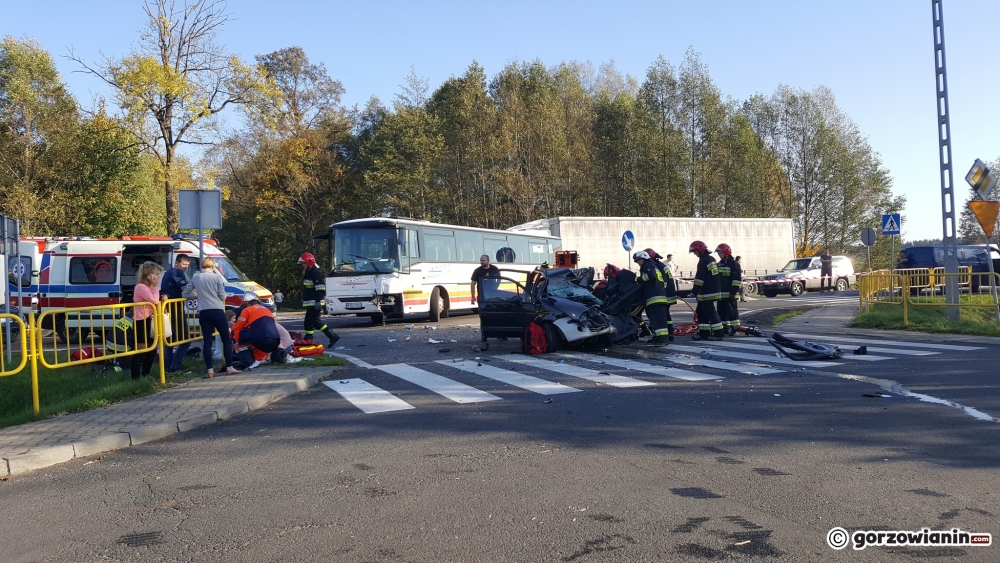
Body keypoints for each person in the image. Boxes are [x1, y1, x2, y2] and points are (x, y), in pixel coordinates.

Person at [183, 256, 240, 378]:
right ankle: (229, 367)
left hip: (203, 312)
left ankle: (210, 370)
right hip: (217, 311)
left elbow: (185, 293)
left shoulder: (196, 277)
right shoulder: (217, 277)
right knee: (226, 339)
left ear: (203, 266)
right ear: (213, 266)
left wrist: (197, 297)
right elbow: (222, 297)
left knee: (207, 342)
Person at [131, 261, 166, 380]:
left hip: (151, 320)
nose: (159, 277)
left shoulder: (151, 287)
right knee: (142, 349)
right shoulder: (141, 287)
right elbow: (154, 300)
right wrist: (156, 287)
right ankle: (135, 377)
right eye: (157, 274)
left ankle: (146, 374)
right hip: (141, 320)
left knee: (152, 348)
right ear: (149, 275)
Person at [159, 254, 191, 373]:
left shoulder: (169, 272)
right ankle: (174, 367)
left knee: (170, 340)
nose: (186, 267)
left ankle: (168, 368)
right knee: (185, 340)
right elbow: (185, 289)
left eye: (187, 265)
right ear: (177, 263)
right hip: (175, 309)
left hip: (169, 308)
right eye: (184, 264)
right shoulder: (177, 273)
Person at [299, 252, 339, 345]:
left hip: (315, 303)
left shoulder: (315, 273)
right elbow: (309, 289)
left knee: (309, 322)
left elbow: (320, 288)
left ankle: (308, 339)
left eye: (303, 263)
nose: (302, 265)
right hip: (311, 302)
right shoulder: (309, 272)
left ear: (309, 262)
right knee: (316, 322)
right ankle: (332, 336)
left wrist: (318, 302)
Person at [232, 295, 280, 370]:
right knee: (258, 348)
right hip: (275, 339)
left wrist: (230, 329)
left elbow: (238, 326)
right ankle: (261, 359)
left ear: (248, 305)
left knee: (235, 333)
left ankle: (245, 360)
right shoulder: (267, 310)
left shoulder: (248, 309)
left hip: (260, 338)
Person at [633, 251, 671, 345]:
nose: (638, 262)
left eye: (638, 260)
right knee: (656, 320)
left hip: (655, 298)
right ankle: (658, 338)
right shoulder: (651, 265)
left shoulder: (648, 265)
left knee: (659, 320)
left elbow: (651, 276)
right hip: (656, 297)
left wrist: (638, 279)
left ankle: (663, 340)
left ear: (644, 258)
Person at [689, 240, 724, 341]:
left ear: (700, 250)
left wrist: (694, 291)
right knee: (701, 312)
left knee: (710, 312)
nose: (695, 254)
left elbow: (700, 278)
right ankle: (703, 333)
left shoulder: (703, 261)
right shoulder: (711, 259)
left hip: (707, 292)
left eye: (695, 252)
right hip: (711, 290)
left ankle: (718, 333)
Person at [644, 248, 677, 341]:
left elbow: (663, 282)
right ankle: (669, 334)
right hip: (669, 293)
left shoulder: (656, 266)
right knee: (666, 315)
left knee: (661, 316)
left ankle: (663, 336)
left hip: (665, 294)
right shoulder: (660, 264)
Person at [715, 244, 742, 335]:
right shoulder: (719, 264)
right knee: (721, 312)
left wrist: (733, 291)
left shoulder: (733, 264)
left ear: (726, 252)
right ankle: (725, 328)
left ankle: (735, 329)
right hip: (721, 294)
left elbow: (736, 279)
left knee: (732, 312)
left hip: (730, 293)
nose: (719, 254)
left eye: (720, 252)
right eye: (718, 253)